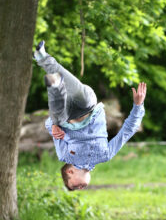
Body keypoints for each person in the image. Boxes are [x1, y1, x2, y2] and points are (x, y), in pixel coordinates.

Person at [33, 41, 147, 191]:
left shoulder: (65, 156)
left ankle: (54, 83)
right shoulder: (105, 155)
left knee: (57, 120)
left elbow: (51, 127)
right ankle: (50, 72)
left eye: (74, 186)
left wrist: (53, 127)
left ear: (70, 172)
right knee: (85, 96)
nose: (80, 188)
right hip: (88, 107)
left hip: (67, 116)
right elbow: (127, 131)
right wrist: (138, 106)